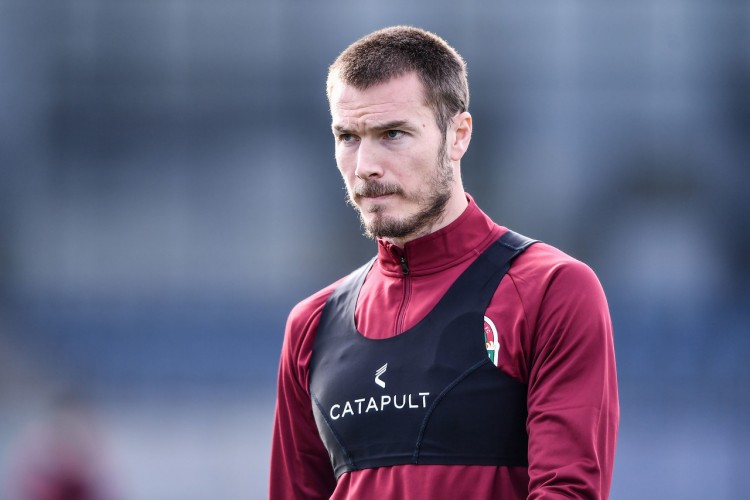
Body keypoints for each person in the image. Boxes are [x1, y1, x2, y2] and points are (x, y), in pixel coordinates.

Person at [270, 25, 619, 499]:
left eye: (392, 134)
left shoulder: (552, 289)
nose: (365, 166)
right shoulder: (311, 326)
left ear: (458, 135)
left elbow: (567, 492)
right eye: (348, 137)